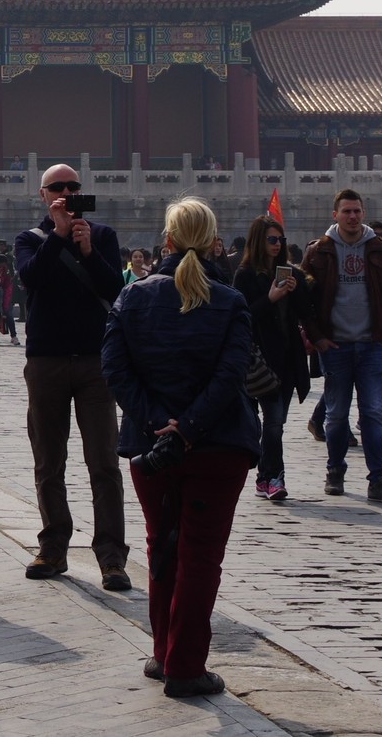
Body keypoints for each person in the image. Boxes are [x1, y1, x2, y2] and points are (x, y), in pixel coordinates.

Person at [103, 197, 259, 699]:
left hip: (151, 450)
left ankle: (163, 653)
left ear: (166, 242)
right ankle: (186, 667)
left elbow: (115, 371)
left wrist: (158, 424)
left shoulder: (133, 297)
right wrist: (188, 428)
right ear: (215, 243)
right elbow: (231, 375)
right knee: (199, 556)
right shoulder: (230, 302)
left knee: (162, 547)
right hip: (216, 447)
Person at [13, 163, 132, 591]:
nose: (66, 192)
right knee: (49, 461)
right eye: (57, 187)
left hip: (94, 361)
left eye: (73, 187)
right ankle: (54, 546)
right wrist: (60, 235)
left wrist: (86, 249)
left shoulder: (101, 236)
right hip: (45, 360)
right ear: (43, 195)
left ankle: (112, 557)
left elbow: (114, 288)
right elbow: (32, 279)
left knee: (103, 462)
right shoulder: (30, 239)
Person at [298, 189, 382, 504]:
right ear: (335, 215)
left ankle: (379, 479)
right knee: (336, 414)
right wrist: (317, 337)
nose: (352, 217)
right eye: (346, 211)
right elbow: (305, 303)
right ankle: (335, 470)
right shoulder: (319, 252)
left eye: (357, 211)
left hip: (373, 345)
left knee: (373, 412)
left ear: (363, 213)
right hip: (336, 346)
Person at [231, 217, 310, 502]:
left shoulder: (290, 272)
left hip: (288, 360)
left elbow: (303, 313)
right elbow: (243, 317)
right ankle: (273, 477)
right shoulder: (245, 275)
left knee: (276, 423)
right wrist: (272, 297)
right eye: (272, 240)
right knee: (266, 423)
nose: (277, 245)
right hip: (258, 361)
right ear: (258, 241)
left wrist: (297, 285)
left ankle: (267, 477)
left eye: (280, 240)